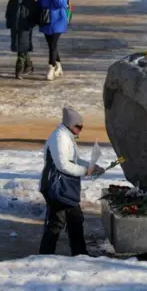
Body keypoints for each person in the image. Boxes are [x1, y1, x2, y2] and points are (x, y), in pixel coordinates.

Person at [38, 107, 105, 256]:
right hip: (56, 186)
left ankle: (76, 253)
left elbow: (75, 160)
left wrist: (91, 166)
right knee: (60, 221)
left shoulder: (67, 136)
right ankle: (50, 255)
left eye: (81, 127)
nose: (80, 130)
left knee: (71, 220)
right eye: (78, 127)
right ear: (70, 124)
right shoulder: (59, 138)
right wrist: (84, 171)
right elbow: (63, 165)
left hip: (63, 186)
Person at [37, 0, 69, 81]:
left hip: (58, 21)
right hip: (46, 21)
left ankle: (51, 68)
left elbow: (61, 4)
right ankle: (59, 66)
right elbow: (39, 5)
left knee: (53, 45)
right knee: (51, 45)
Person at [5, 0, 40, 80]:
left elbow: (35, 15)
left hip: (25, 28)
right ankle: (29, 66)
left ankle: (18, 71)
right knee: (22, 48)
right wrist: (10, 24)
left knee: (22, 49)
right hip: (15, 29)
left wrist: (30, 24)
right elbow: (8, 14)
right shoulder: (12, 1)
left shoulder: (31, 2)